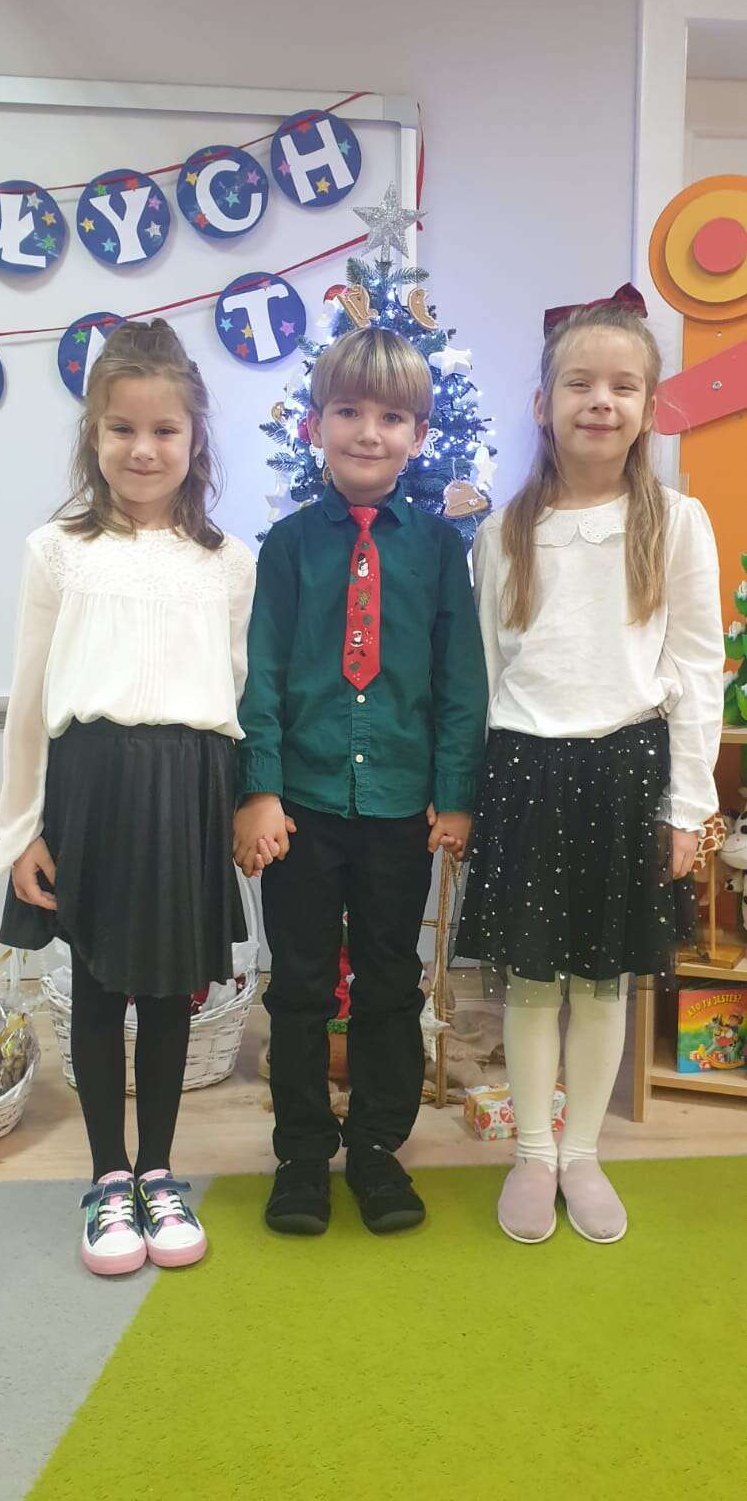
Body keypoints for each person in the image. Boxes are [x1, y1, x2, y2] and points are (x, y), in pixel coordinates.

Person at [0, 319, 255, 1276]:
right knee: (95, 987)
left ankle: (159, 1174)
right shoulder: (58, 551)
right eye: (121, 429)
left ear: (194, 438)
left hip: (190, 786)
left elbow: (238, 694)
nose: (143, 449)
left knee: (171, 990)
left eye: (164, 430)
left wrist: (237, 805)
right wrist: (24, 829)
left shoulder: (227, 559)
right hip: (89, 787)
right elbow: (29, 700)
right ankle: (106, 1180)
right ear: (92, 436)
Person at [455, 284, 723, 1245]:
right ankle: (533, 1152)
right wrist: (469, 796)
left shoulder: (675, 523)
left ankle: (582, 1154)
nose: (598, 401)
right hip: (525, 771)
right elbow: (485, 673)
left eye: (621, 386)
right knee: (533, 980)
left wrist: (687, 806)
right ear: (542, 403)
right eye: (578, 383)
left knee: (604, 979)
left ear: (648, 407)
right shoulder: (503, 531)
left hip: (627, 773)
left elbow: (696, 668)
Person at [234, 327, 488, 1236]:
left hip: (398, 808)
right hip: (302, 806)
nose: (368, 432)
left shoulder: (438, 549)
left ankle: (378, 1149)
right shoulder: (286, 546)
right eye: (348, 411)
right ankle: (302, 1155)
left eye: (390, 417)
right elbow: (261, 673)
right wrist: (258, 789)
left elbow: (461, 681)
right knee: (299, 984)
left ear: (417, 435)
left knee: (388, 980)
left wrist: (455, 795)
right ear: (315, 425)